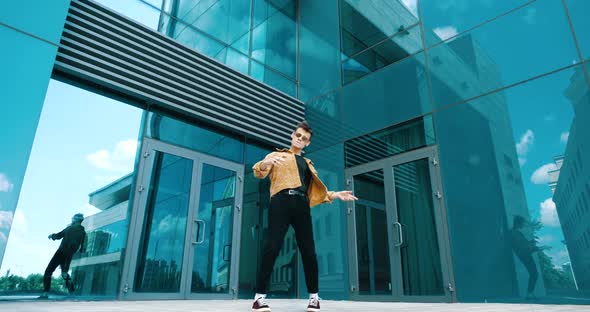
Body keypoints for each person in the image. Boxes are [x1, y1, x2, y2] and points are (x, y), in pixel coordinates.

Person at [251, 121, 358, 312]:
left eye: (305, 139)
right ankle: (259, 299)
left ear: (307, 143)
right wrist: (265, 162)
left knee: (309, 252)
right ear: (293, 135)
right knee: (272, 247)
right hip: (280, 201)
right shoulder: (277, 155)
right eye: (298, 135)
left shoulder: (309, 165)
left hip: (301, 204)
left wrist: (336, 195)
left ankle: (314, 299)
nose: (300, 139)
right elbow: (258, 172)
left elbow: (315, 194)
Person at [39, 213, 86, 299]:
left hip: (60, 252)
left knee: (48, 271)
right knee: (64, 274)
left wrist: (52, 236)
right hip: (69, 255)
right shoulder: (83, 233)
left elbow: (59, 235)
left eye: (73, 219)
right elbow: (83, 248)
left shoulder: (69, 229)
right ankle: (72, 292)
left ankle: (45, 293)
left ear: (75, 220)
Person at [509, 215, 540, 300]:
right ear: (518, 223)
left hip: (525, 255)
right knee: (534, 273)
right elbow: (523, 247)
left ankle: (530, 293)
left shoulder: (515, 233)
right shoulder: (515, 233)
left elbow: (524, 244)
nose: (523, 225)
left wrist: (531, 243)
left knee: (533, 273)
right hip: (525, 255)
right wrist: (535, 247)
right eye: (523, 223)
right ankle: (529, 293)